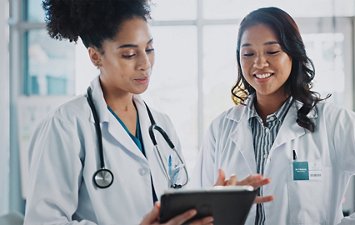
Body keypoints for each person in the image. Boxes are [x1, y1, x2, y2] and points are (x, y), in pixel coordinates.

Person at [192, 7, 355, 225]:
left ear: (293, 54)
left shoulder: (332, 122)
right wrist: (215, 204)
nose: (259, 63)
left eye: (272, 52)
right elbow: (198, 208)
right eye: (248, 53)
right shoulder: (221, 129)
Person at [23, 0, 214, 224]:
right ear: (96, 56)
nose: (145, 63)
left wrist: (213, 202)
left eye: (149, 49)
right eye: (130, 54)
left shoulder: (162, 126)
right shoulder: (66, 124)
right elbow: (43, 221)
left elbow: (177, 204)